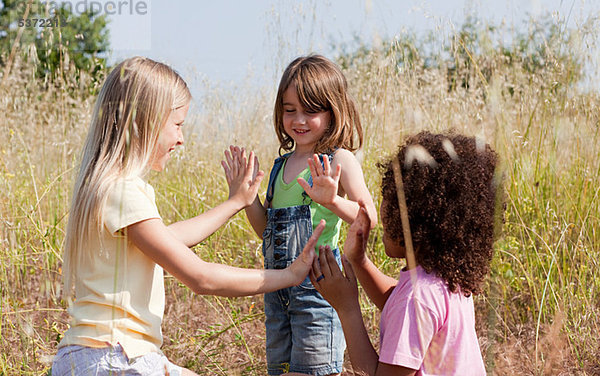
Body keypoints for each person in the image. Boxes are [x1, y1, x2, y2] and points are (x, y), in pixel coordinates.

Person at [51, 57, 325, 376]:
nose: (181, 139)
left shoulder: (105, 187)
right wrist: (289, 276)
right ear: (146, 121)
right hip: (116, 356)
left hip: (88, 356)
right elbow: (201, 278)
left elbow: (171, 238)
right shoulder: (123, 191)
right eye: (178, 124)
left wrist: (235, 202)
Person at [226, 55, 377, 375]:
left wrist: (334, 200)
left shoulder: (339, 159)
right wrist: (245, 199)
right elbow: (268, 231)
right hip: (277, 292)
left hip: (318, 292)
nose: (299, 120)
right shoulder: (281, 166)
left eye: (311, 110)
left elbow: (368, 218)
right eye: (289, 109)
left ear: (333, 110)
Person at [311, 131, 501, 375]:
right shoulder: (446, 279)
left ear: (418, 220)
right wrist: (360, 262)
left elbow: (409, 305)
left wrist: (347, 308)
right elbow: (397, 302)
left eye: (390, 204)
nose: (382, 214)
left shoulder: (417, 298)